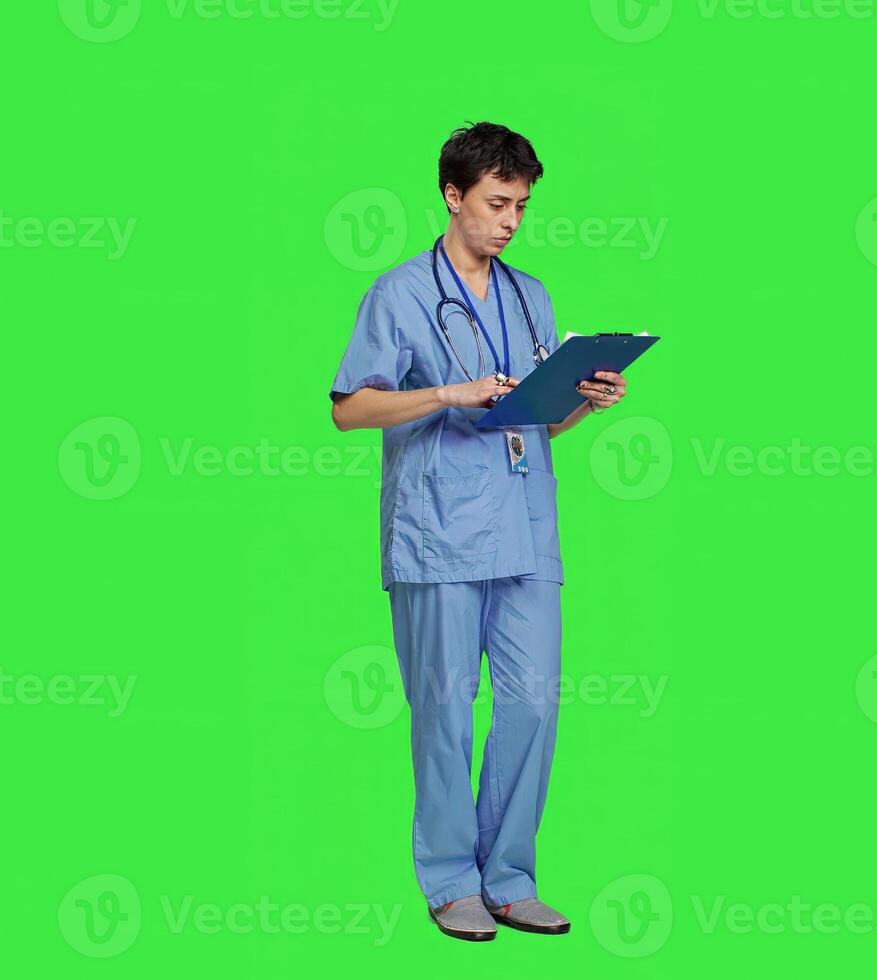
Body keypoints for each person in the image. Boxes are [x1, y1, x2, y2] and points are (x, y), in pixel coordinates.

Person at [329, 122, 629, 942]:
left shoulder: (533, 296)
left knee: (532, 703)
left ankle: (510, 876)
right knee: (445, 710)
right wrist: (443, 395)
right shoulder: (398, 295)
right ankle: (450, 880)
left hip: (526, 524)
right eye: (497, 203)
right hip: (438, 530)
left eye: (522, 206)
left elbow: (530, 420)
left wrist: (580, 402)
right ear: (453, 196)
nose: (509, 221)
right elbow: (349, 408)